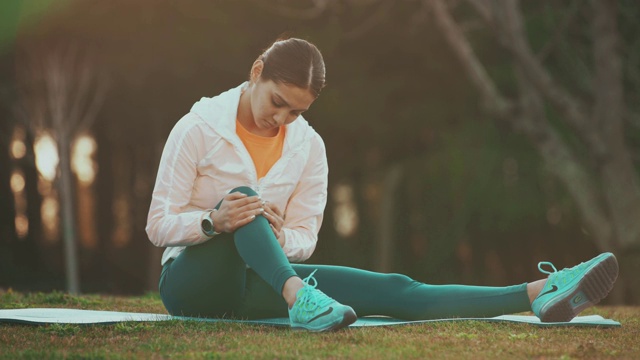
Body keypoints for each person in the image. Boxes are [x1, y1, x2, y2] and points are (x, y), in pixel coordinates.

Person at [146, 37, 619, 332]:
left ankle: (541, 291)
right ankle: (299, 300)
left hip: (259, 282)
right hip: (190, 284)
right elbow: (158, 225)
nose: (282, 118)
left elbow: (304, 238)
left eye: (296, 111)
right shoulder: (199, 127)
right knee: (244, 201)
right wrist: (214, 221)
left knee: (396, 288)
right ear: (256, 72)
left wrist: (274, 235)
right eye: (277, 101)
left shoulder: (309, 148)